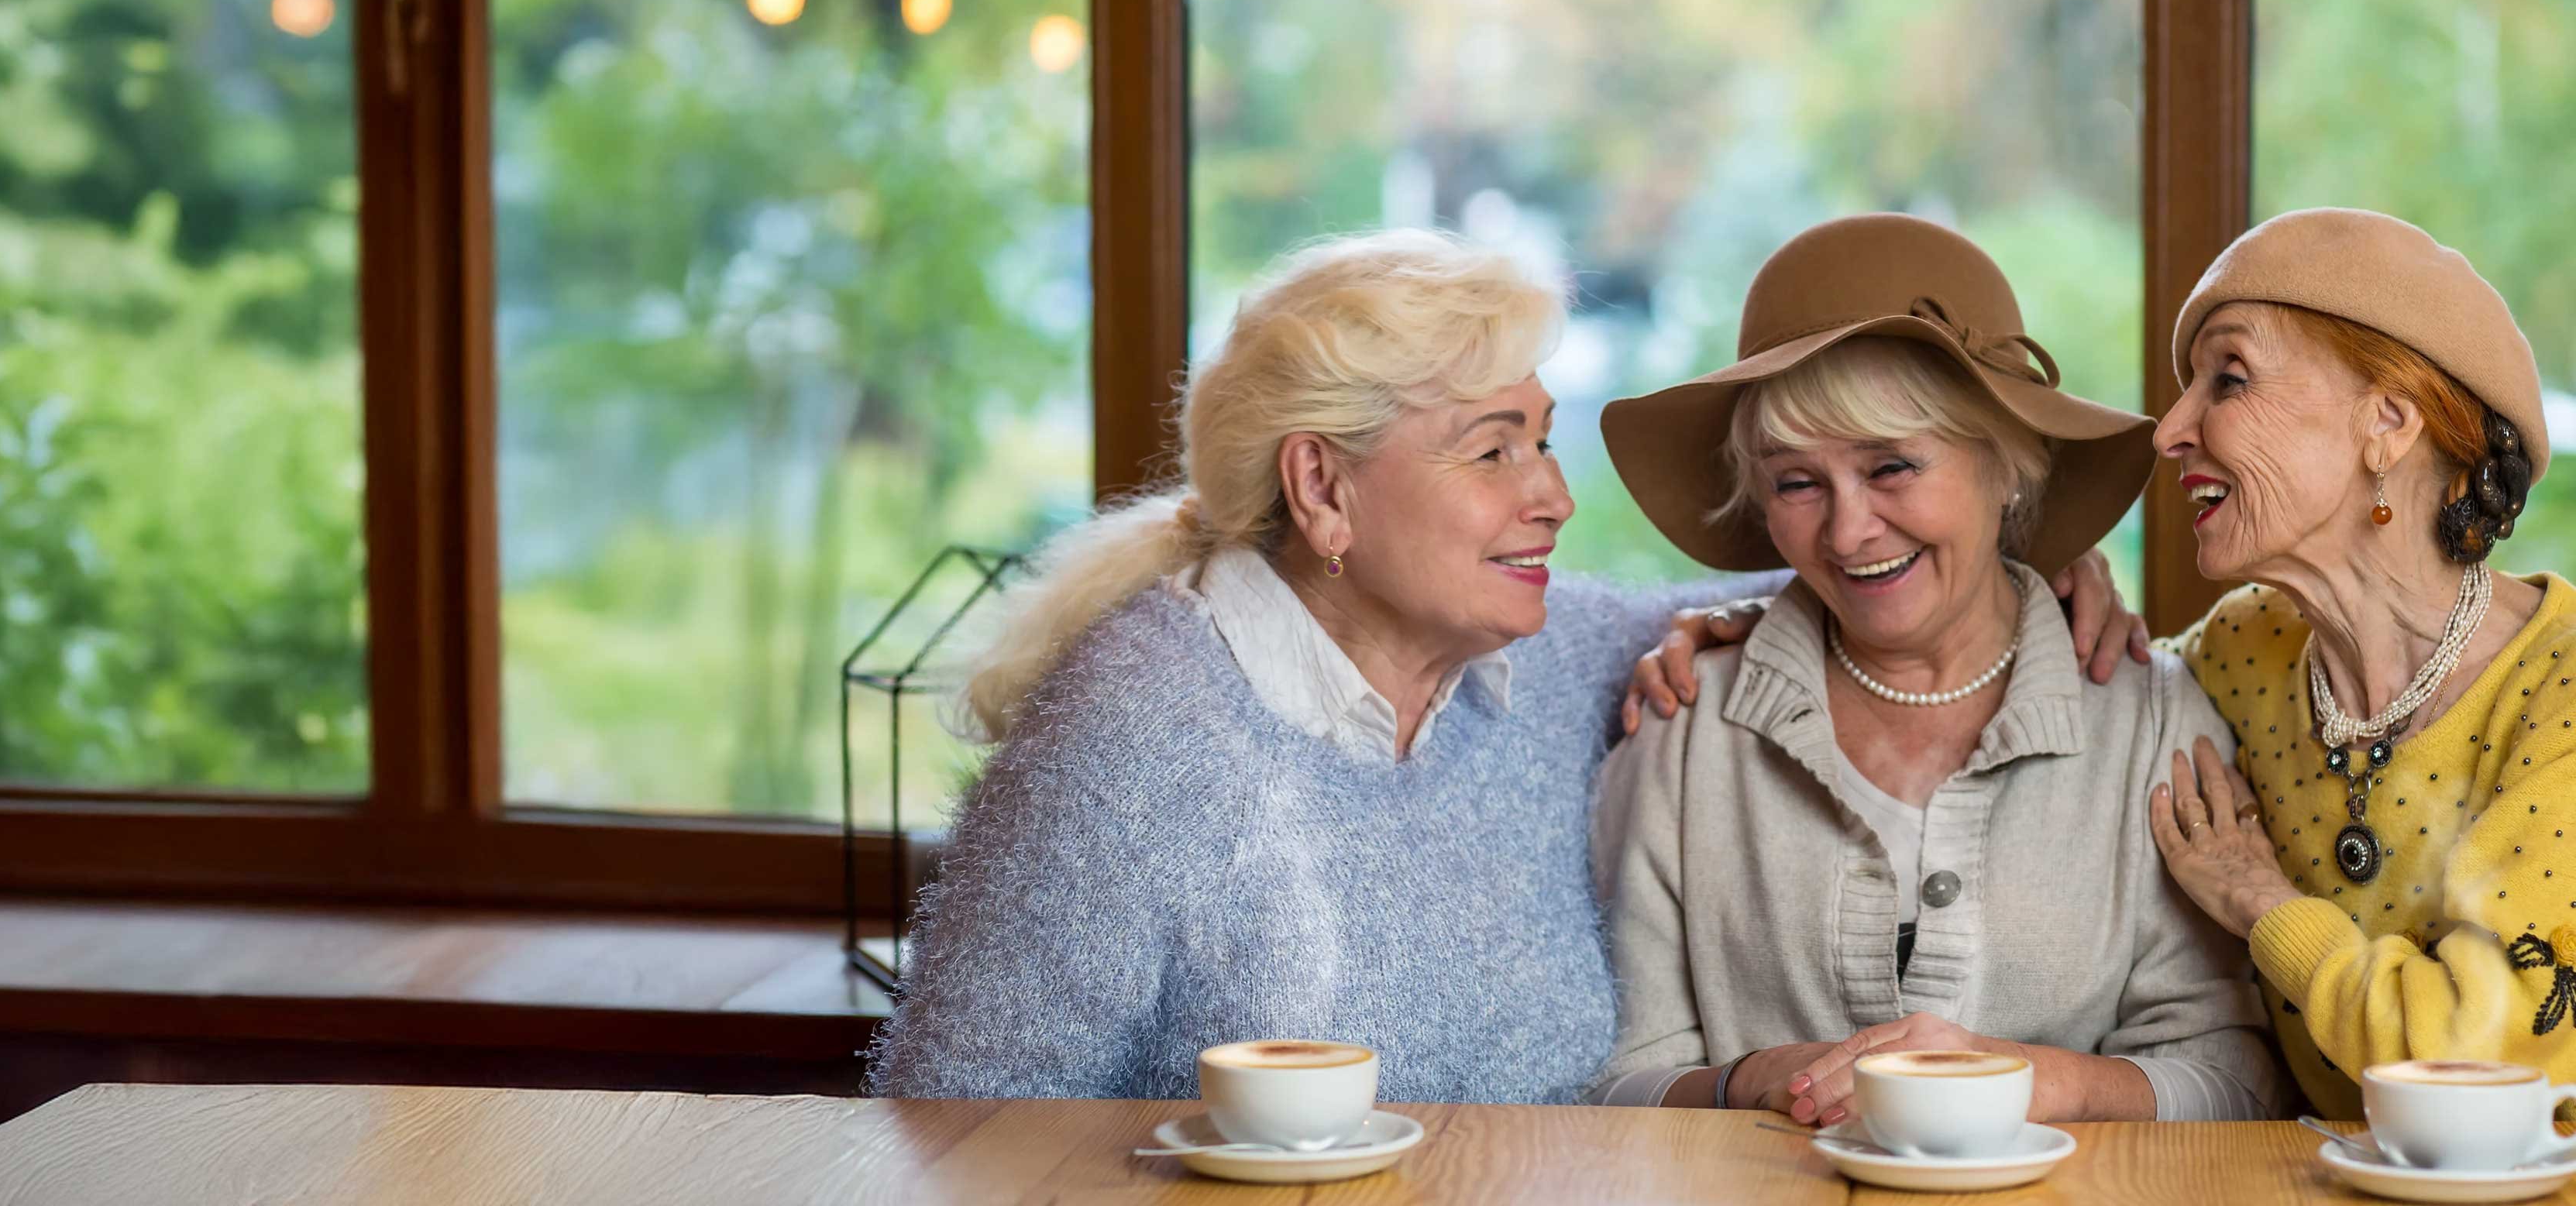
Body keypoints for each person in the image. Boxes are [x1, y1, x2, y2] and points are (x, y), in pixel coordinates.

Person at [865, 228, 2141, 1105]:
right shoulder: (1133, 736)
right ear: (1323, 487)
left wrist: (2028, 566)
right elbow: (955, 1132)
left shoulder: (1549, 656)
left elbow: (1855, 577)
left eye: (1544, 438)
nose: (1554, 496)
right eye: (1493, 452)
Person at [1591, 214, 2279, 1125]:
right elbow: (1614, 1082)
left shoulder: (2151, 723)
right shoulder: (1681, 730)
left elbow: (2236, 1079)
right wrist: (1757, 1077)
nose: (1846, 532)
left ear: (2008, 468)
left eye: (1892, 467)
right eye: (1796, 482)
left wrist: (2040, 1080)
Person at [2139, 208, 2576, 1120]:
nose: (2170, 429)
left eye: (2227, 378)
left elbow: (2469, 1059)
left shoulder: (2560, 689)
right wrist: (2060, 599)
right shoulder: (2244, 644)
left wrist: (2262, 901)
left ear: (2386, 422)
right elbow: (2103, 701)